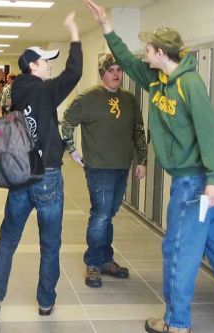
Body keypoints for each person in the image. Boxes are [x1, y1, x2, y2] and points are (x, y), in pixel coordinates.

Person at [84, 1, 214, 333]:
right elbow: (126, 59)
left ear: (159, 52)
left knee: (178, 249)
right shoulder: (157, 79)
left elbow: (213, 134)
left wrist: (213, 179)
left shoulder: (189, 85)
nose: (143, 52)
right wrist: (106, 27)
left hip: (194, 183)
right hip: (191, 181)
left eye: (148, 48)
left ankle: (175, 322)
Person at [0, 11, 82, 316]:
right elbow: (74, 72)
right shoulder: (44, 89)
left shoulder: (18, 91)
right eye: (45, 61)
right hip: (47, 177)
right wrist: (75, 35)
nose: (49, 64)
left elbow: (41, 126)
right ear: (32, 65)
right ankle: (45, 301)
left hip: (21, 176)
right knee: (50, 243)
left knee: (8, 238)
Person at [62, 53, 148, 288]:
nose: (116, 74)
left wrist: (142, 160)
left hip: (122, 165)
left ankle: (106, 259)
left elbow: (138, 130)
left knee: (109, 214)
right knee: (100, 215)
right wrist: (71, 149)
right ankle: (93, 263)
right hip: (99, 167)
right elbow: (67, 122)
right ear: (102, 73)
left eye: (119, 70)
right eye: (111, 70)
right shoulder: (88, 98)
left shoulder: (130, 99)